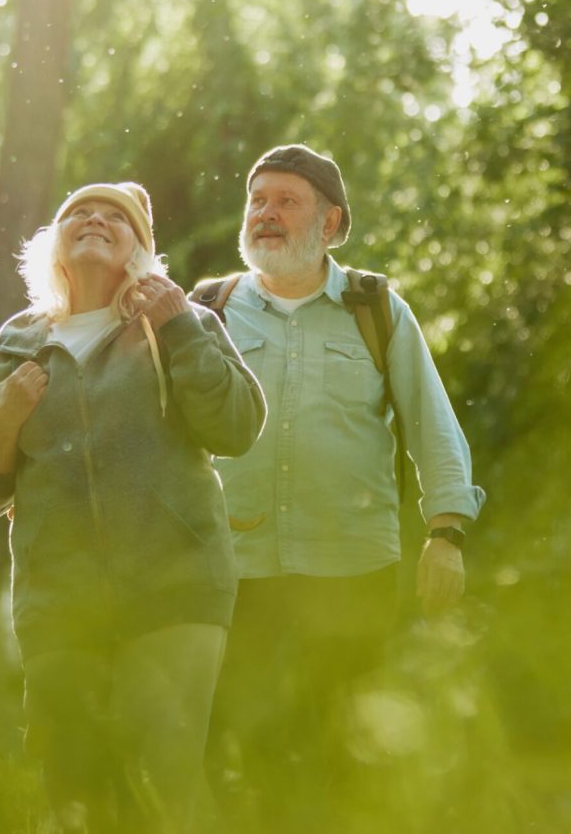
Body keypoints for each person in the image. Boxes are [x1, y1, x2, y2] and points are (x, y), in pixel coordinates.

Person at [0, 181, 266, 833]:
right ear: (55, 245)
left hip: (175, 588)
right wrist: (7, 416)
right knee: (76, 791)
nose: (94, 219)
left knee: (157, 782)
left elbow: (236, 426)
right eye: (79, 213)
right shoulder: (17, 343)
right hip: (59, 602)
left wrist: (179, 327)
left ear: (139, 249)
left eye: (114, 217)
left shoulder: (180, 321)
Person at [196, 144, 486, 826]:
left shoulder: (376, 309)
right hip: (231, 570)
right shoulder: (206, 310)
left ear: (330, 223)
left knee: (344, 753)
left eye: (286, 201)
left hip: (351, 569)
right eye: (257, 200)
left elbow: (432, 423)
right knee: (234, 753)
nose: (266, 213)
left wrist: (447, 533)